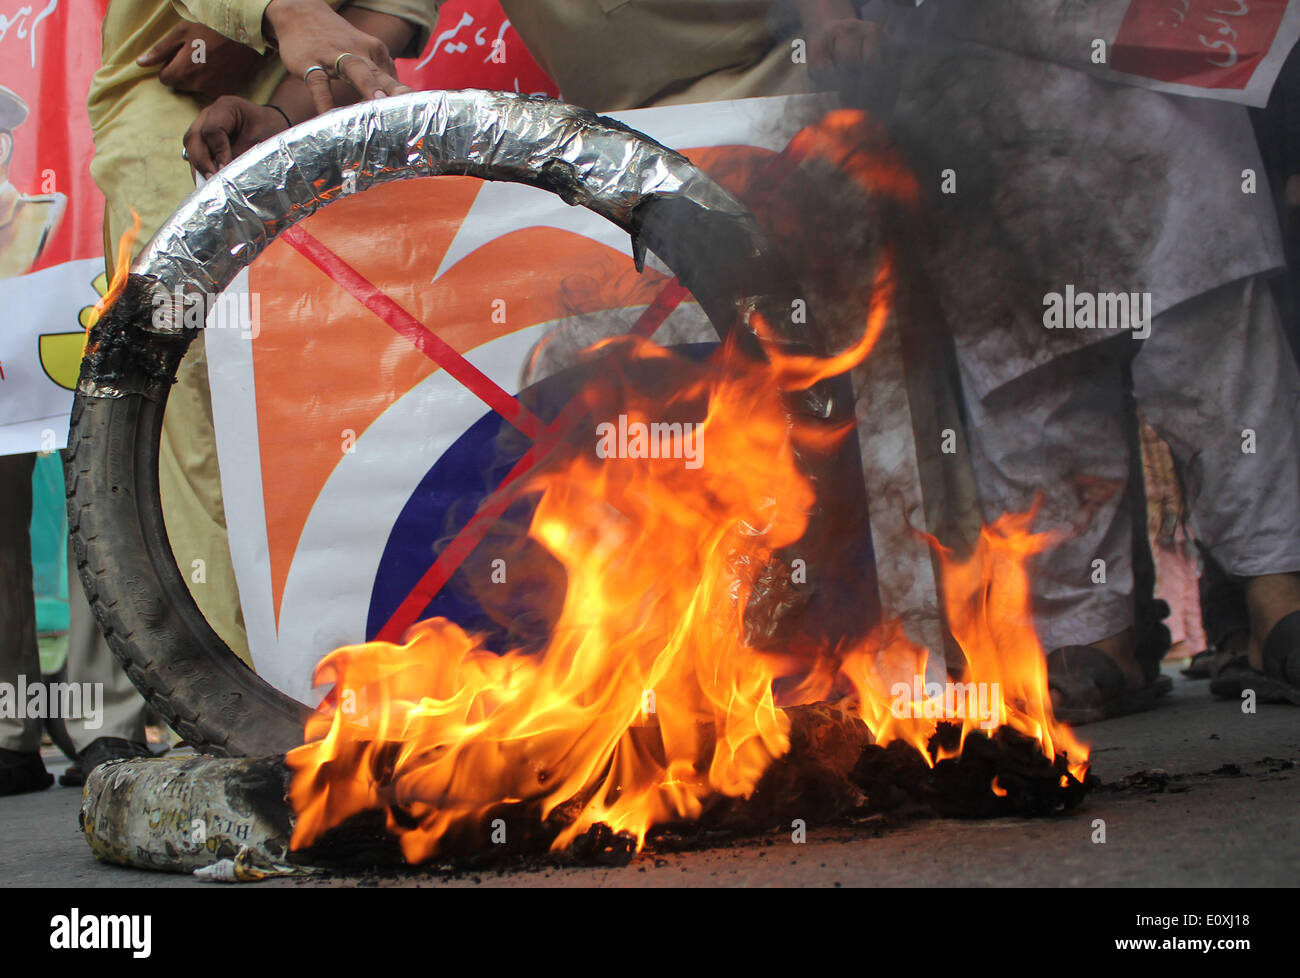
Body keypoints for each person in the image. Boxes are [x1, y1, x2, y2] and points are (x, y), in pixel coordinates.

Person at [62, 0, 439, 784]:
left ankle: (344, 699)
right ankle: (244, 735)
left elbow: (390, 14)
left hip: (322, 101)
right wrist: (268, 15)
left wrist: (283, 92)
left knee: (338, 399)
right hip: (175, 108)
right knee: (192, 411)